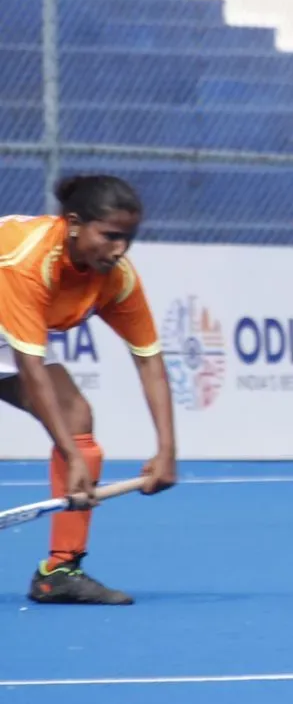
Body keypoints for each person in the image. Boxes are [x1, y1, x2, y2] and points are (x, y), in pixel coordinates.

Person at [0, 175, 179, 605]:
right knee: (70, 433)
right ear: (75, 223)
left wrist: (167, 449)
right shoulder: (27, 262)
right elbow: (31, 369)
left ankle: (60, 572)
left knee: (76, 417)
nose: (120, 249)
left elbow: (149, 361)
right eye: (110, 236)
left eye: (128, 238)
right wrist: (71, 455)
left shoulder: (116, 279)